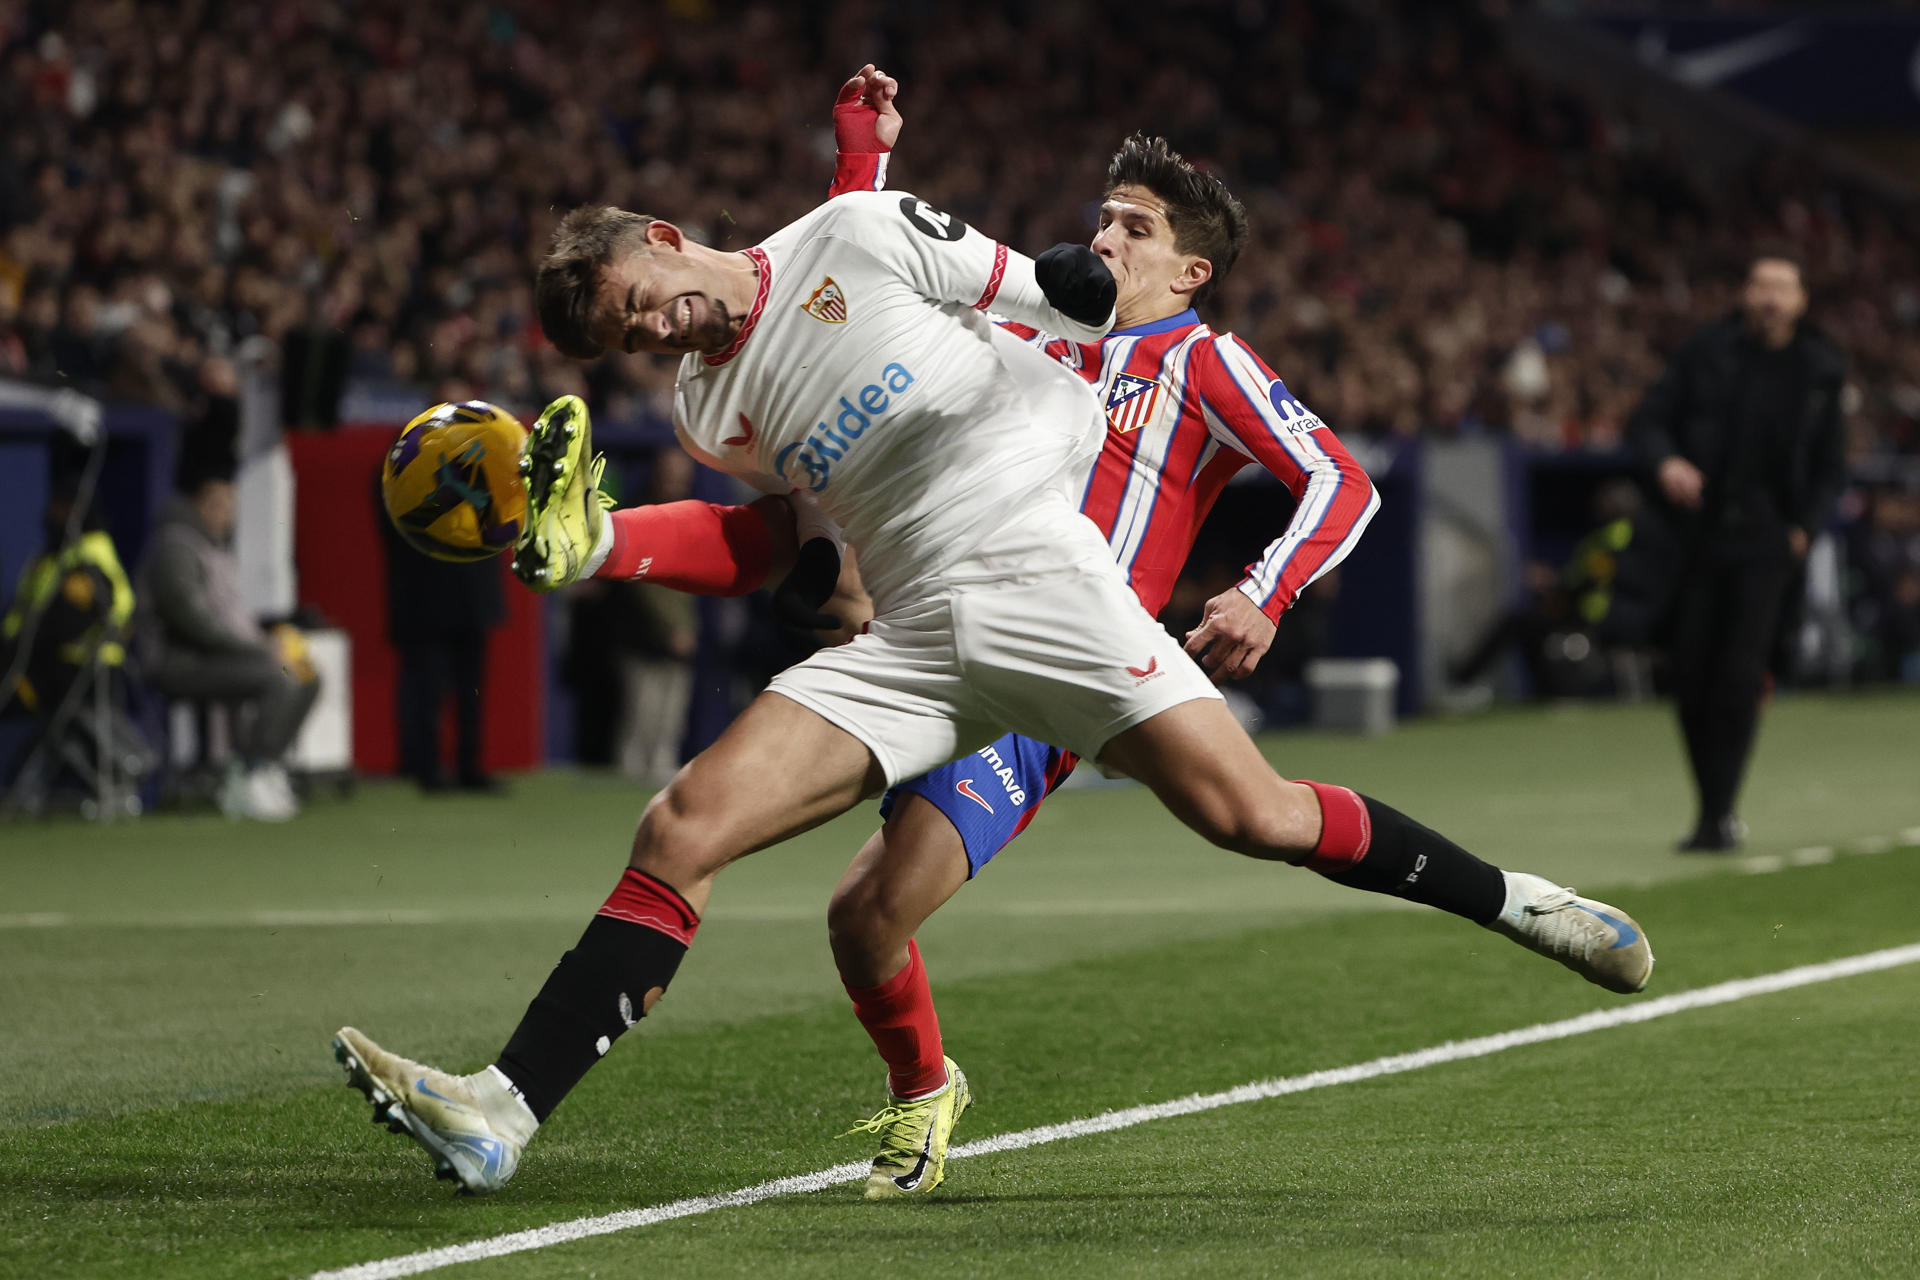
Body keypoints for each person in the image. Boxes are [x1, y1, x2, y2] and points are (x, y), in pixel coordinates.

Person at [332, 70, 1653, 1196]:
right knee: (687, 830)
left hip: (1044, 584)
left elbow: (1043, 294)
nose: (659, 327)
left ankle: (1520, 904)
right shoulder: (703, 411)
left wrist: (942, 208)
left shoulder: (865, 235)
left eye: (647, 295)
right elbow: (777, 544)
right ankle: (503, 1110)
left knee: (1256, 819)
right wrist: (602, 545)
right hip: (911, 632)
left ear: (665, 235)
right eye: (631, 335)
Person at [813, 70, 1380, 1197]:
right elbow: (861, 288)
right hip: (932, 634)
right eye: (1103, 216)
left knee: (874, 903)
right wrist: (862, 161)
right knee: (841, 911)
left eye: (1137, 226)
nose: (1104, 235)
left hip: (1050, 671)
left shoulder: (1203, 359)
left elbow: (1340, 479)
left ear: (1190, 270)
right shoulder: (1031, 324)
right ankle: (922, 1084)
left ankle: (921, 1095)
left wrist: (1265, 589)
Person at [1627, 253, 1847, 852]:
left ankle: (1718, 813)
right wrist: (1667, 461)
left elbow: (1831, 465)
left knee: (1738, 676)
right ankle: (1712, 807)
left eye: (1783, 286)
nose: (1770, 297)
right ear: (1745, 292)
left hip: (1768, 541)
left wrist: (1804, 526)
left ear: (1801, 300)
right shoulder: (1704, 352)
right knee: (1691, 674)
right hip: (1697, 535)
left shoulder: (1821, 369)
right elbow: (1648, 423)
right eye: (1760, 284)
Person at [136, 442, 320, 821]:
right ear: (199, 505)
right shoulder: (176, 548)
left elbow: (229, 616)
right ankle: (249, 774)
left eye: (231, 507)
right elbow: (195, 622)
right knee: (278, 678)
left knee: (304, 673)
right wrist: (257, 651)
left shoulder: (212, 547)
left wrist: (265, 641)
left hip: (215, 655)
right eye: (219, 506)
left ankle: (262, 767)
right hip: (177, 661)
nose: (227, 516)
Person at [377, 473, 506, 794]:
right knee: (427, 689)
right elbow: (403, 523)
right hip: (425, 599)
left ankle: (469, 767)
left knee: (470, 692)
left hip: (473, 597)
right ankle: (424, 766)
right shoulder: (404, 458)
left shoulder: (480, 459)